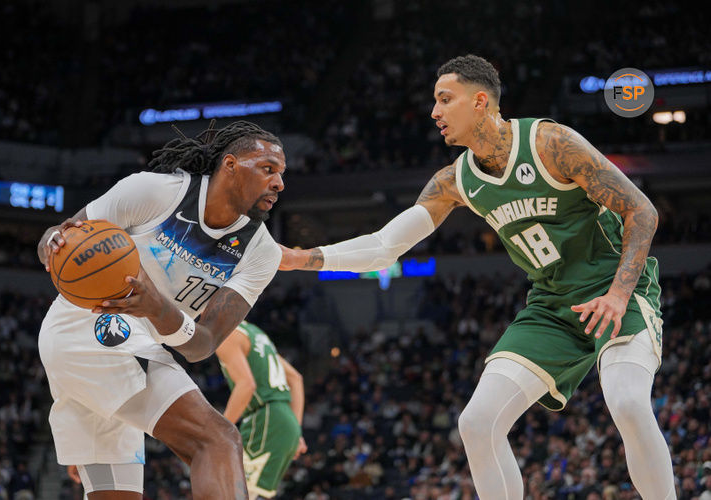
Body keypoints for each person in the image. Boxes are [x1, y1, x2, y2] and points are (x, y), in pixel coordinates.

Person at [278, 55, 675, 499]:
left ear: (481, 101)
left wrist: (620, 294)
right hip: (550, 307)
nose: (434, 112)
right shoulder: (455, 181)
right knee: (477, 422)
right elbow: (385, 246)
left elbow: (641, 209)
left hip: (614, 291)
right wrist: (303, 258)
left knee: (627, 402)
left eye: (445, 100)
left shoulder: (550, 143)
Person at [37, 121, 286, 499]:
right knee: (218, 440)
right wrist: (50, 242)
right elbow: (63, 236)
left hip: (126, 351)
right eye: (268, 169)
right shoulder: (154, 191)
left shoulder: (261, 253)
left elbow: (201, 345)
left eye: (282, 174)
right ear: (230, 165)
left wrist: (157, 309)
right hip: (86, 328)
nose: (279, 183)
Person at [216, 321, 307, 499]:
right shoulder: (256, 333)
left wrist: (219, 430)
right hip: (283, 419)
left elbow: (246, 385)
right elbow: (296, 378)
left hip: (266, 419)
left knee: (231, 493)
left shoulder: (228, 334)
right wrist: (297, 433)